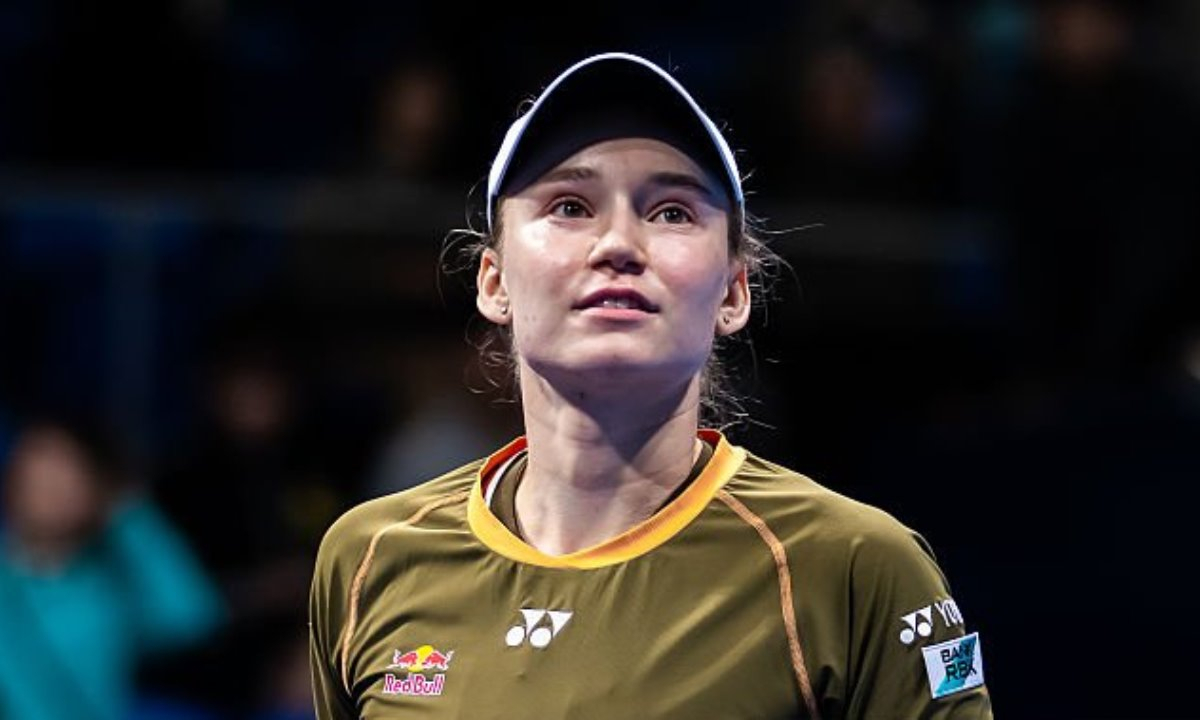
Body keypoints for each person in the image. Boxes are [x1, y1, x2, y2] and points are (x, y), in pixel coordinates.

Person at [309, 51, 993, 719]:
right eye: (570, 205)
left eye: (671, 212)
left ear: (734, 292)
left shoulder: (854, 569)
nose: (617, 244)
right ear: (493, 281)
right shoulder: (369, 559)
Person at [0, 413, 225, 720]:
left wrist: (130, 513)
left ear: (96, 491)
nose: (48, 488)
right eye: (36, 473)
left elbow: (193, 618)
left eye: (67, 475)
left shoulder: (111, 586)